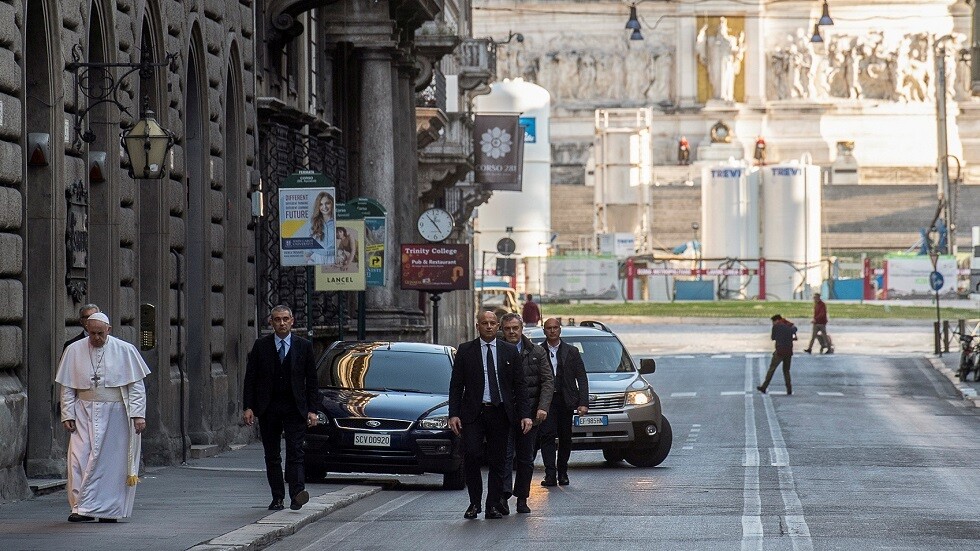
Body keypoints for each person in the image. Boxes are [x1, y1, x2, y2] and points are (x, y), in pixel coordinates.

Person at [56, 312, 150, 523]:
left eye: (100, 333)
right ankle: (80, 508)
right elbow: (68, 387)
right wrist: (67, 413)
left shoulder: (125, 350)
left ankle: (108, 510)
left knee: (112, 463)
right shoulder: (74, 350)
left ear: (109, 330)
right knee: (78, 458)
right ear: (87, 330)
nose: (96, 338)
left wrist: (138, 415)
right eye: (92, 333)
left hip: (116, 413)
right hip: (83, 412)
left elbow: (136, 387)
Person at [449, 311, 531, 520]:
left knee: (498, 460)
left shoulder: (510, 351)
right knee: (473, 455)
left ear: (498, 327)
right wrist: (453, 414)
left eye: (492, 323)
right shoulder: (466, 350)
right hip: (473, 412)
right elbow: (456, 385)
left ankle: (492, 504)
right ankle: (474, 503)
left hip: (500, 412)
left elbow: (520, 386)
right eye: (484, 323)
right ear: (477, 326)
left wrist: (525, 415)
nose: (488, 327)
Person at [243, 305, 319, 511]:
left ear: (292, 321)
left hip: (295, 407)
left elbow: (311, 380)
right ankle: (277, 497)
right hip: (269, 407)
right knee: (272, 454)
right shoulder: (261, 346)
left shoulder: (304, 346)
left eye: (285, 319)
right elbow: (251, 378)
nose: (282, 323)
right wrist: (248, 406)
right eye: (277, 319)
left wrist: (313, 410)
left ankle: (297, 494)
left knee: (296, 451)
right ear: (271, 322)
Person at [499, 312, 554, 515]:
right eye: (508, 329)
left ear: (522, 329)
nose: (512, 332)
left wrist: (542, 407)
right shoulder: (496, 351)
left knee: (525, 459)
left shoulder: (537, 352)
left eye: (515, 328)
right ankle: (503, 497)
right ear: (502, 330)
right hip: (504, 415)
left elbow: (548, 381)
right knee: (504, 458)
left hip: (530, 416)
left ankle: (522, 497)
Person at [537, 317, 588, 487]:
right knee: (547, 436)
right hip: (547, 401)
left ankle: (563, 472)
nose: (552, 331)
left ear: (560, 330)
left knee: (565, 437)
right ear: (544, 330)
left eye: (555, 327)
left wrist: (583, 402)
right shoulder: (538, 351)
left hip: (566, 400)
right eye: (548, 328)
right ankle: (550, 474)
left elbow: (581, 377)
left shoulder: (571, 351)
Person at [695, 16, 746, 102]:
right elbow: (700, 45)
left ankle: (726, 96)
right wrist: (702, 32)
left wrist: (740, 42)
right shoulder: (712, 40)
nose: (721, 29)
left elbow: (736, 52)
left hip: (727, 64)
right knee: (716, 80)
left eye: (723, 27)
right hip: (715, 64)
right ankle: (717, 96)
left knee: (726, 80)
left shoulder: (731, 40)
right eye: (720, 27)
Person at [758, 314, 798, 395]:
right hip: (789, 351)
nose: (772, 324)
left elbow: (773, 338)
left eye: (773, 322)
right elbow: (795, 330)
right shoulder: (789, 326)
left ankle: (764, 387)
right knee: (786, 370)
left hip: (779, 351)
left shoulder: (776, 327)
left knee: (772, 369)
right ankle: (789, 389)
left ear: (776, 320)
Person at [306, 191, 335, 265]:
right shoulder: (314, 222)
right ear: (318, 207)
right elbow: (310, 241)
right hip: (317, 257)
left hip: (333, 258)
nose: (324, 207)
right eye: (321, 204)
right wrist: (307, 257)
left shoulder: (338, 221)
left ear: (332, 203)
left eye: (327, 203)